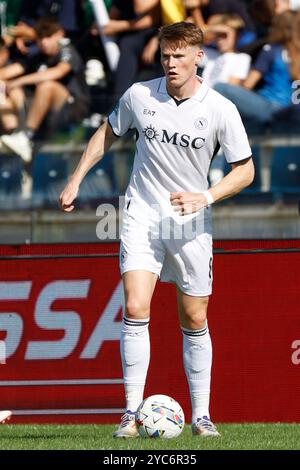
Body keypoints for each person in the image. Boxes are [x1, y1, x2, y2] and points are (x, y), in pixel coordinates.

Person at [60, 21, 254, 437]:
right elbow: (107, 133)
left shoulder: (220, 108)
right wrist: (77, 178)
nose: (171, 63)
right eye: (166, 55)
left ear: (198, 57)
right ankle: (130, 414)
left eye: (180, 56)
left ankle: (201, 416)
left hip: (192, 220)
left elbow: (246, 170)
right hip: (140, 213)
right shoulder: (139, 95)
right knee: (135, 307)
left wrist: (207, 196)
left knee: (194, 315)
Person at [0, 16, 89, 164]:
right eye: (40, 38)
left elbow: (58, 72)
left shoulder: (67, 50)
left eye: (48, 37)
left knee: (46, 86)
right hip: (45, 115)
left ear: (60, 34)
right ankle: (14, 133)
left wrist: (19, 81)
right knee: (7, 89)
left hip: (73, 109)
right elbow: (9, 72)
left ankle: (25, 137)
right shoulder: (38, 57)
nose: (43, 42)